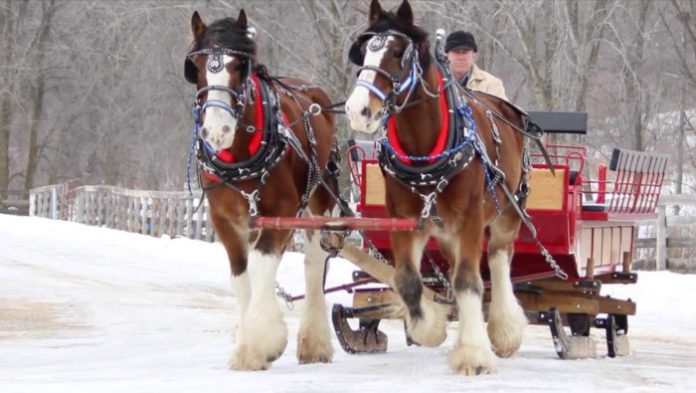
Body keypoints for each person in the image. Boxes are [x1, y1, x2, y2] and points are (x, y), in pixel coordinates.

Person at [445, 30, 507, 100]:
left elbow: (501, 110)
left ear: (474, 55)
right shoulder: (436, 83)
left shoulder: (492, 85)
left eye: (465, 52)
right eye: (456, 52)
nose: (461, 57)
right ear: (447, 55)